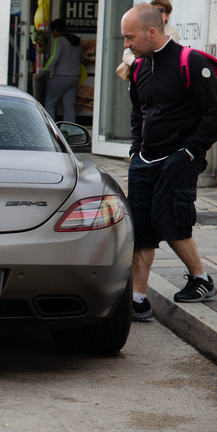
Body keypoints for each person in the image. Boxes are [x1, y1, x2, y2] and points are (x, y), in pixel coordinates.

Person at [121, 4, 217, 320]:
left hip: (178, 158)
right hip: (145, 159)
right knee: (142, 228)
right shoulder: (138, 68)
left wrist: (190, 151)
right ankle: (137, 299)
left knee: (173, 222)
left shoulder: (191, 62)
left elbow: (214, 113)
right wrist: (136, 150)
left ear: (152, 31)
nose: (126, 44)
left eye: (129, 37)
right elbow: (139, 113)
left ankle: (201, 279)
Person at [35, 19, 83, 123]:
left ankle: (51, 131)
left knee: (49, 104)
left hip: (61, 78)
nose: (52, 34)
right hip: (74, 78)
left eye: (52, 31)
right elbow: (81, 59)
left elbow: (54, 58)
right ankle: (70, 133)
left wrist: (43, 72)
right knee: (69, 107)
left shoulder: (60, 40)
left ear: (55, 30)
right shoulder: (77, 40)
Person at [120, 0, 179, 77]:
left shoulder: (172, 33)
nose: (126, 44)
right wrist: (141, 64)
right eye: (153, 10)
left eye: (160, 10)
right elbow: (127, 53)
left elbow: (168, 56)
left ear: (167, 15)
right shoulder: (142, 65)